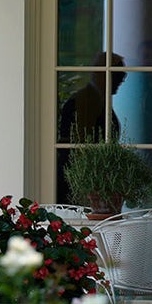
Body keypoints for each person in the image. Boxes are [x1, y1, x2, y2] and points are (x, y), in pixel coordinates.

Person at [56, 52, 126, 203]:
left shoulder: (92, 101)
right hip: (79, 188)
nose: (122, 80)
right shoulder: (83, 103)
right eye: (119, 75)